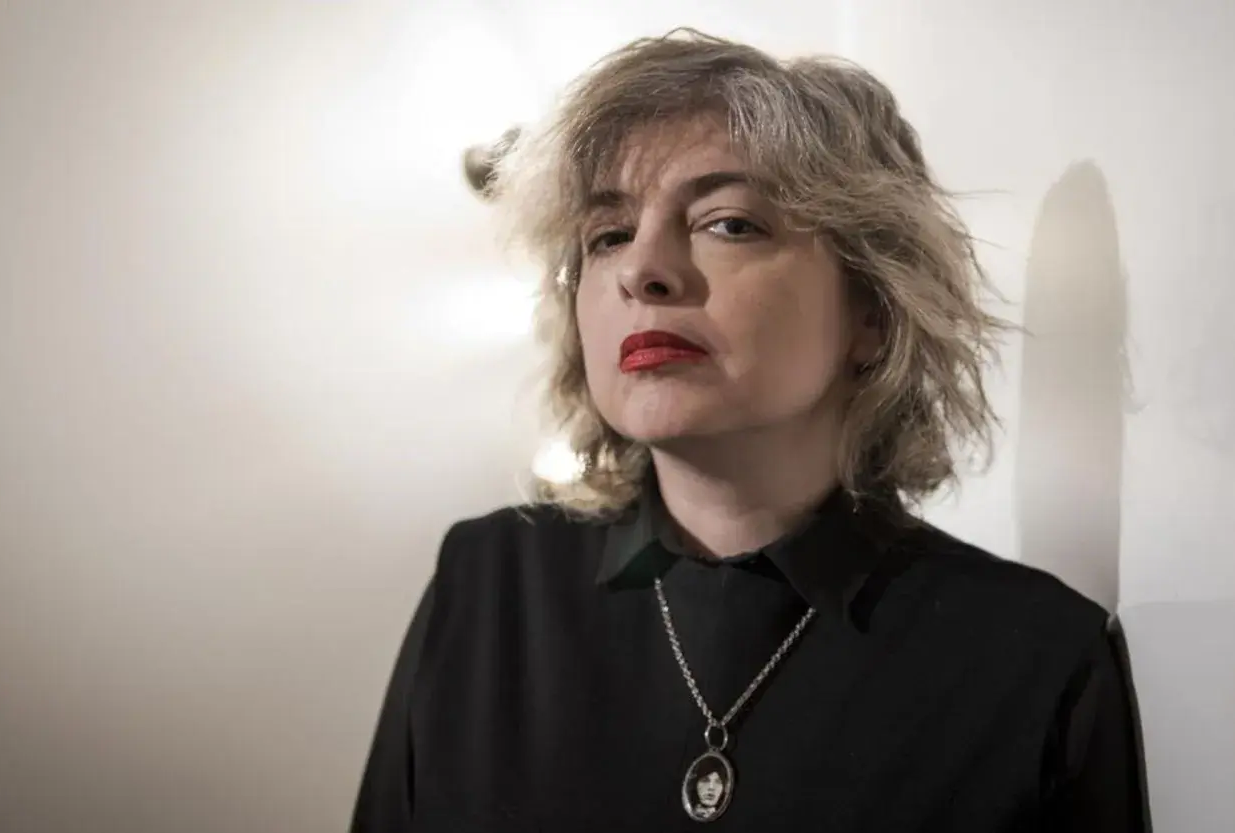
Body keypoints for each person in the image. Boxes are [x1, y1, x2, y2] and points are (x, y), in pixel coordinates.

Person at [351, 29, 1146, 832]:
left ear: (872, 309)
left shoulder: (1036, 664)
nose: (642, 270)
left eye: (728, 223)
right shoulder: (484, 585)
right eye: (609, 234)